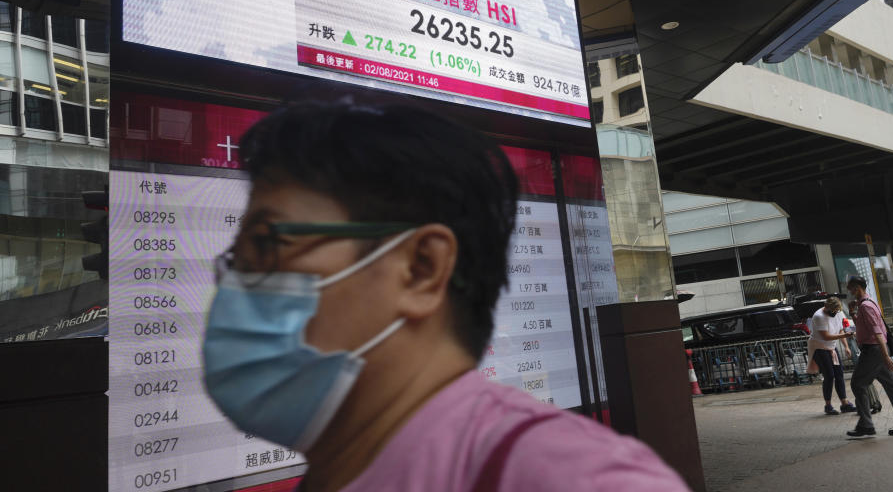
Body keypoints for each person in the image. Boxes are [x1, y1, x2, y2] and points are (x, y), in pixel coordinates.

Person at [201, 101, 690, 492]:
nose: (232, 282)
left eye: (265, 244)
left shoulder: (569, 477)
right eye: (237, 257)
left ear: (421, 269)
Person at [845, 276, 893, 438]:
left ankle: (866, 424)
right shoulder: (868, 303)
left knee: (858, 383)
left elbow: (878, 333)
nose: (849, 292)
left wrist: (885, 356)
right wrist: (853, 314)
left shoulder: (866, 307)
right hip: (876, 351)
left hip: (873, 351)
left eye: (850, 288)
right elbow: (865, 328)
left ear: (857, 288)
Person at [809, 297, 856, 415]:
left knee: (839, 373)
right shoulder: (819, 316)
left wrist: (846, 346)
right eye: (832, 311)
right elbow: (826, 336)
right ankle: (828, 405)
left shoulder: (838, 313)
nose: (834, 313)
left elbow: (840, 330)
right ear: (826, 307)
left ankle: (844, 403)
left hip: (831, 347)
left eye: (836, 311)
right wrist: (844, 335)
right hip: (819, 347)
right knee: (829, 376)